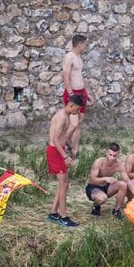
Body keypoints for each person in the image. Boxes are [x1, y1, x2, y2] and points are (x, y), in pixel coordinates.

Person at [47, 95, 83, 227]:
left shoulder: (66, 116)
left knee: (64, 184)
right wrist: (65, 156)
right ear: (71, 105)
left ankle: (53, 213)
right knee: (64, 184)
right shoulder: (62, 116)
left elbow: (62, 137)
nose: (77, 112)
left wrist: (70, 147)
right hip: (54, 151)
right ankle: (63, 217)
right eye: (77, 110)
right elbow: (55, 139)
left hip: (59, 150)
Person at [86, 142, 134, 217]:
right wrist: (105, 179)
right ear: (106, 152)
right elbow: (92, 180)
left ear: (118, 154)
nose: (112, 158)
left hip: (107, 188)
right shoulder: (99, 162)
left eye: (115, 156)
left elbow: (128, 181)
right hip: (94, 187)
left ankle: (116, 210)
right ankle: (96, 206)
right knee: (102, 198)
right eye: (110, 155)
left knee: (123, 184)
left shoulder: (119, 164)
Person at [61, 34, 89, 154]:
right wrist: (70, 93)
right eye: (84, 44)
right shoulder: (69, 57)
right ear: (79, 44)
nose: (85, 46)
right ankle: (63, 143)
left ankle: (74, 150)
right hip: (73, 93)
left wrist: (86, 93)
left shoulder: (78, 57)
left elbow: (79, 76)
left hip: (81, 92)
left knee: (79, 123)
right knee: (73, 123)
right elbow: (65, 76)